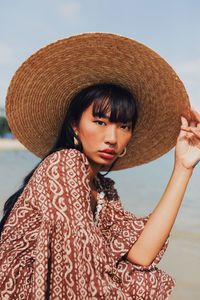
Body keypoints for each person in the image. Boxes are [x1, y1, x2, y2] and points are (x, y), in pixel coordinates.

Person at [0, 33, 199, 300]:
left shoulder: (104, 190)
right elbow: (75, 270)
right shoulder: (63, 165)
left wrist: (184, 167)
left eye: (124, 126)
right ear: (75, 125)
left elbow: (140, 255)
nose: (112, 138)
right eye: (100, 122)